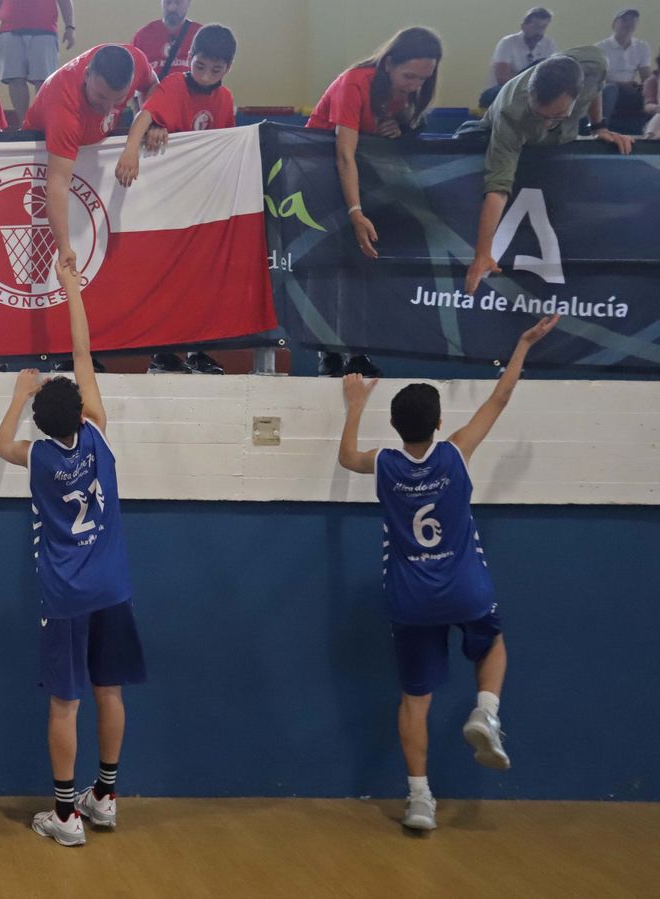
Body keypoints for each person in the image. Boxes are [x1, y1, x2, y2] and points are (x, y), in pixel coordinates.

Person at [336, 314, 559, 832]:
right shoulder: (457, 453)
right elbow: (499, 400)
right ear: (439, 424)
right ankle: (486, 709)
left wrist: (354, 405)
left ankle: (419, 800)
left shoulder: (387, 463)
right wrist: (523, 344)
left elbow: (348, 457)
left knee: (415, 699)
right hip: (463, 588)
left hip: (410, 597)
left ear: (396, 427)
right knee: (493, 645)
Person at [0, 266, 146, 848]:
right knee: (110, 693)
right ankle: (105, 797)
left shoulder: (35, 458)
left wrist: (18, 394)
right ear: (82, 413)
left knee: (66, 704)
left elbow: (1, 444)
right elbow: (83, 352)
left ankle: (65, 813)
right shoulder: (100, 434)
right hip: (112, 587)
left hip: (65, 595)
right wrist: (74, 290)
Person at [306, 26, 443, 380]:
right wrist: (355, 212)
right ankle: (329, 353)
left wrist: (400, 126)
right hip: (320, 175)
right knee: (329, 265)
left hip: (362, 180)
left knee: (365, 265)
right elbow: (343, 154)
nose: (414, 85)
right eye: (408, 76)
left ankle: (357, 352)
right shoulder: (355, 82)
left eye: (423, 78)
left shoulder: (406, 92)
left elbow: (390, 131)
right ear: (387, 65)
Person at [462, 49, 633, 295]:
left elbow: (595, 87)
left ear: (577, 95)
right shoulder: (511, 114)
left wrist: (598, 127)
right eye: (540, 115)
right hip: (510, 145)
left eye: (556, 116)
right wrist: (482, 254)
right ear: (530, 92)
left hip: (559, 153)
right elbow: (497, 188)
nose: (546, 123)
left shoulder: (594, 63)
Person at [121, 23, 237, 376]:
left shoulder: (226, 99)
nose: (205, 76)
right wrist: (130, 152)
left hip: (203, 203)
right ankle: (163, 353)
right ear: (189, 58)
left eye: (215, 70)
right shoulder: (173, 86)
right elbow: (145, 116)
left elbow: (228, 146)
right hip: (168, 204)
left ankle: (198, 351)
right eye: (199, 66)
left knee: (201, 280)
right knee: (167, 279)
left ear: (228, 68)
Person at [22, 44, 161, 278]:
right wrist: (64, 247)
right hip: (49, 152)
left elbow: (154, 87)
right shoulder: (64, 107)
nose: (107, 107)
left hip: (90, 143)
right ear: (87, 75)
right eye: (100, 97)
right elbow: (57, 185)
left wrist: (150, 123)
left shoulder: (136, 59)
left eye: (118, 100)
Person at [0, 0, 75, 129]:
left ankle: (41, 123)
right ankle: (24, 124)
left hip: (45, 32)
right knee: (15, 78)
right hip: (9, 32)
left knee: (44, 82)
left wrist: (70, 27)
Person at [483, 7, 555, 107]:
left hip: (531, 93)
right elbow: (502, 78)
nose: (539, 32)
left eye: (543, 27)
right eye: (536, 27)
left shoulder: (549, 44)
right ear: (523, 26)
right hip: (501, 91)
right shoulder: (507, 43)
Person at [597, 9, 652, 119]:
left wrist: (644, 85)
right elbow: (598, 78)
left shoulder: (642, 46)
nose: (629, 24)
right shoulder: (601, 48)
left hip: (630, 88)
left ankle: (651, 131)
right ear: (614, 24)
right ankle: (602, 127)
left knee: (651, 91)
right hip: (609, 87)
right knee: (610, 89)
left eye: (633, 21)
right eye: (624, 20)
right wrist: (621, 84)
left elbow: (646, 75)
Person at [131, 0, 201, 80]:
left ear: (188, 3)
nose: (172, 8)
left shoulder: (201, 35)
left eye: (178, 2)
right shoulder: (142, 36)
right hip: (153, 92)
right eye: (168, 2)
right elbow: (133, 75)